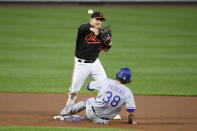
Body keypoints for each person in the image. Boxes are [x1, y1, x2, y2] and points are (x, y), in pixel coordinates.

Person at [64, 11, 112, 107]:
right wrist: (91, 29)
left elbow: (106, 50)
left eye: (100, 20)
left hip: (95, 63)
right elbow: (81, 28)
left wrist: (109, 43)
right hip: (81, 64)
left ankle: (106, 110)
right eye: (97, 19)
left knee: (105, 87)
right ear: (91, 19)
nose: (99, 22)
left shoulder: (103, 34)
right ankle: (68, 107)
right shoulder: (84, 29)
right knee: (74, 91)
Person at [60, 68, 137, 124]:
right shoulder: (128, 93)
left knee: (89, 100)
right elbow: (130, 113)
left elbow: (88, 86)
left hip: (91, 112)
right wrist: (130, 122)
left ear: (118, 76)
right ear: (127, 81)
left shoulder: (106, 81)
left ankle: (66, 112)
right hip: (103, 121)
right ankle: (87, 117)